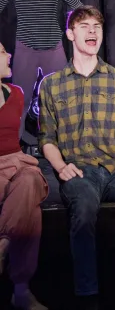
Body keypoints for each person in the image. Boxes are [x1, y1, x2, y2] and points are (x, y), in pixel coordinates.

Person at [38, 6, 115, 310]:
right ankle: (88, 296)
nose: (92, 32)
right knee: (82, 214)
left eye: (96, 26)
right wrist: (60, 166)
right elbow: (47, 138)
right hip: (79, 170)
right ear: (70, 34)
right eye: (84, 27)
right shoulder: (52, 85)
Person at [0, 0, 82, 144]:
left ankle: (61, 143)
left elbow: (79, 8)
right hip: (26, 48)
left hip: (53, 49)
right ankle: (13, 144)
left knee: (61, 98)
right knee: (21, 99)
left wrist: (81, 28)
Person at [0, 43, 49, 310]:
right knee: (31, 209)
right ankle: (21, 291)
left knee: (30, 179)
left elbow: (32, 127)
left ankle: (2, 248)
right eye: (2, 52)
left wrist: (38, 104)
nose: (9, 56)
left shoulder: (16, 93)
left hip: (18, 163)